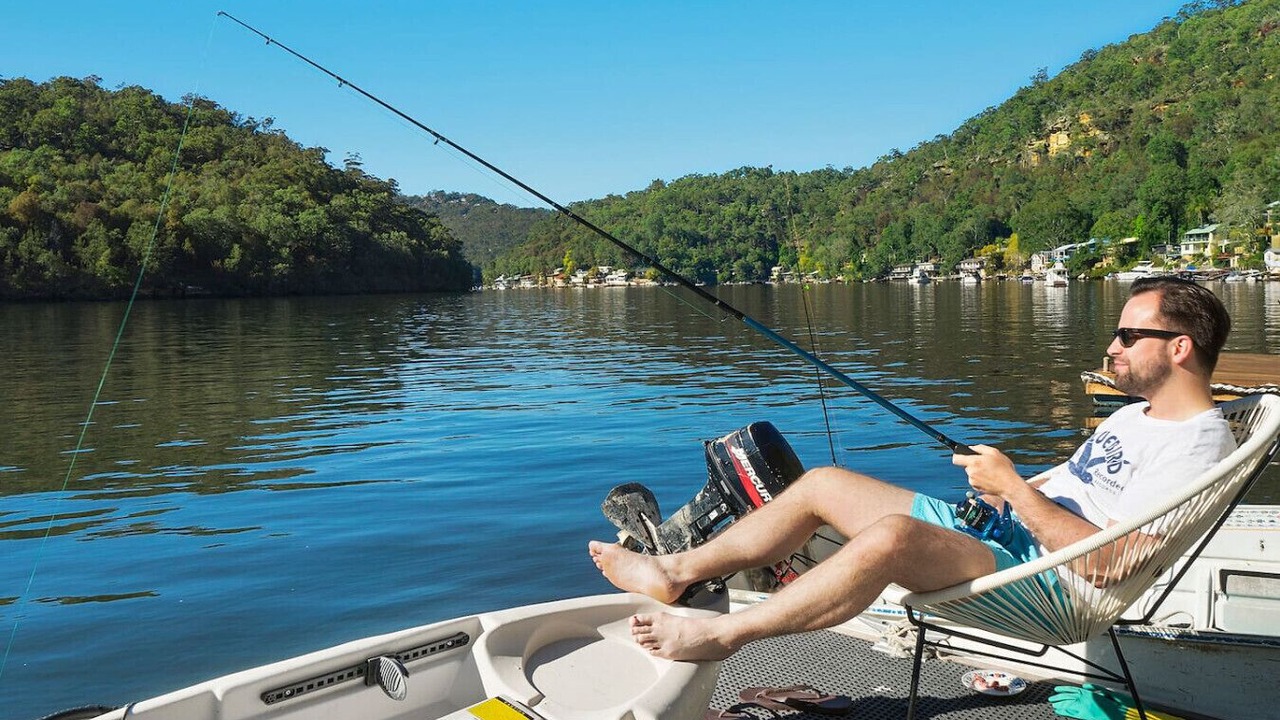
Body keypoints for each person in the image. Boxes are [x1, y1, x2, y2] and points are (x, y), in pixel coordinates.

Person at [588, 277, 1236, 661]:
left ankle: (722, 636)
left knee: (894, 539)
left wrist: (1012, 486)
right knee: (823, 485)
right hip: (1008, 541)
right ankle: (674, 570)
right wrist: (1005, 492)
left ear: (1179, 348)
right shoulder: (1136, 417)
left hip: (1054, 587)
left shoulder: (1195, 444)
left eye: (1128, 336)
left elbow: (1109, 563)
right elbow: (1073, 495)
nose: (1111, 346)